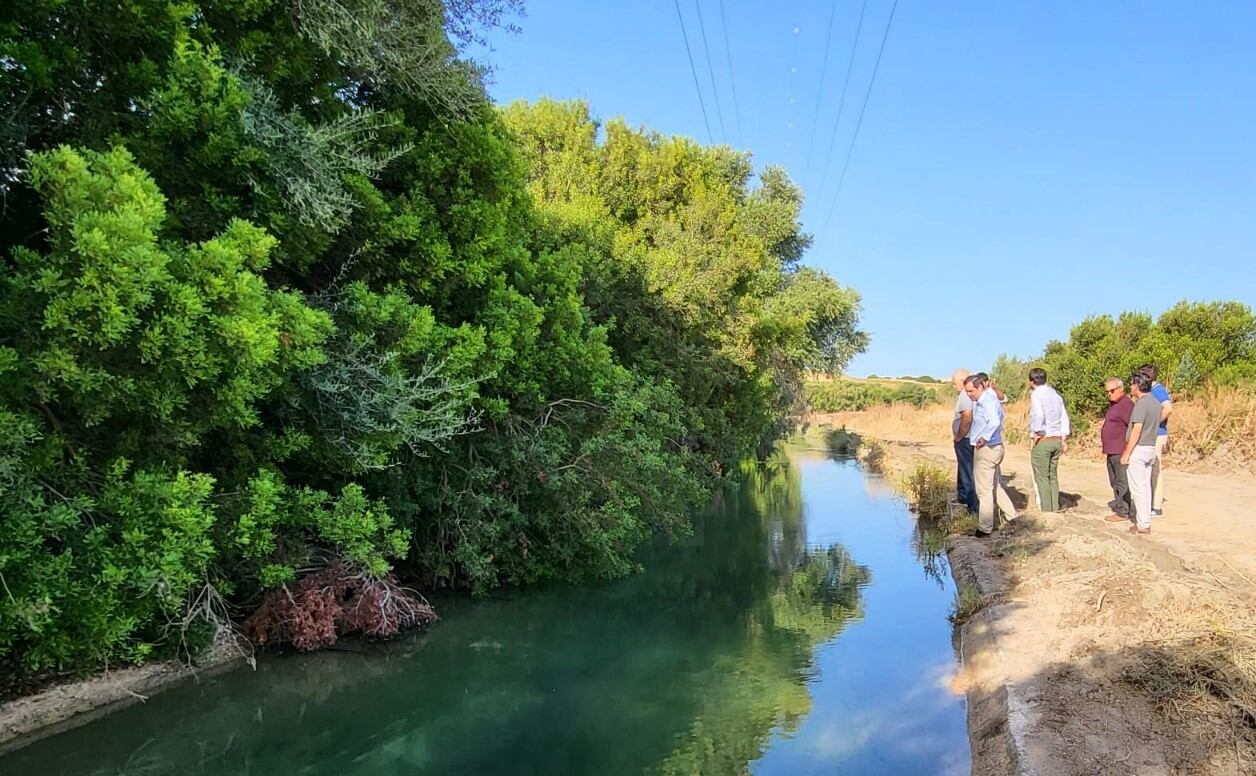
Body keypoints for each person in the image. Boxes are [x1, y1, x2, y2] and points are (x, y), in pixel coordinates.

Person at [966, 373, 1018, 536]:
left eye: (971, 391)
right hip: (995, 447)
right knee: (995, 486)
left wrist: (984, 438)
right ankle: (1012, 517)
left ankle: (985, 528)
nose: (969, 395)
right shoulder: (990, 397)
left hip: (987, 449)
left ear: (980, 387)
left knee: (984, 491)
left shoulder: (986, 401)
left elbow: (994, 421)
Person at [1119, 371, 1160, 535]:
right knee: (1146, 487)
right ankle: (1145, 520)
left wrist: (1126, 453)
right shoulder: (1156, 403)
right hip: (1150, 447)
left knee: (1138, 488)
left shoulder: (1141, 404)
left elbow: (1137, 429)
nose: (1130, 387)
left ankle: (1143, 524)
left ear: (1137, 385)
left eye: (1131, 384)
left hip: (1140, 448)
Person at [1026, 367, 1070, 512]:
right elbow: (1064, 416)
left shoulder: (1036, 395)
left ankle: (1046, 511)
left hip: (1044, 439)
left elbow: (1038, 415)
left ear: (1031, 381)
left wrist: (1037, 432)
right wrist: (1064, 438)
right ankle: (1054, 507)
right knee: (1052, 475)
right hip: (1057, 438)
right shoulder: (1056, 395)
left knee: (1042, 477)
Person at [1139, 364, 1172, 517]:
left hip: (1157, 434)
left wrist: (1154, 423)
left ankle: (1156, 506)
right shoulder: (1150, 390)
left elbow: (1168, 408)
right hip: (1153, 433)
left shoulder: (1157, 390)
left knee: (1155, 470)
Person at [1100, 378, 1135, 524]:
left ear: (1121, 389)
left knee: (1122, 481)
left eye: (1112, 391)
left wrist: (1128, 448)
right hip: (1111, 450)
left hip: (1120, 449)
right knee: (1114, 480)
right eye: (1107, 391)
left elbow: (1133, 427)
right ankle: (1121, 506)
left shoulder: (1126, 405)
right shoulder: (1115, 405)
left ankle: (1123, 511)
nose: (1109, 394)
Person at [950, 368, 980, 514]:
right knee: (966, 470)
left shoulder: (964, 395)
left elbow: (967, 417)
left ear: (962, 381)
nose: (953, 385)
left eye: (954, 382)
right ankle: (964, 499)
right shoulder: (974, 393)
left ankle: (971, 506)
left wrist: (958, 436)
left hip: (966, 439)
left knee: (967, 471)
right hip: (972, 438)